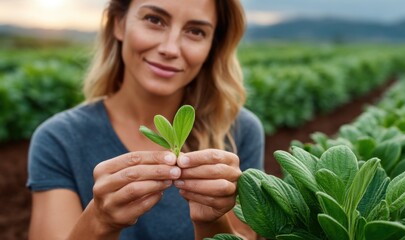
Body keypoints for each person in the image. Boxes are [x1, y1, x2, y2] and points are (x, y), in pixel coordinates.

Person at [26, 0, 264, 239]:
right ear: (118, 23)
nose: (170, 48)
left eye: (195, 31)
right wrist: (100, 221)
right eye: (154, 20)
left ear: (212, 45)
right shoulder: (58, 138)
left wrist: (212, 222)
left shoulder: (240, 131)